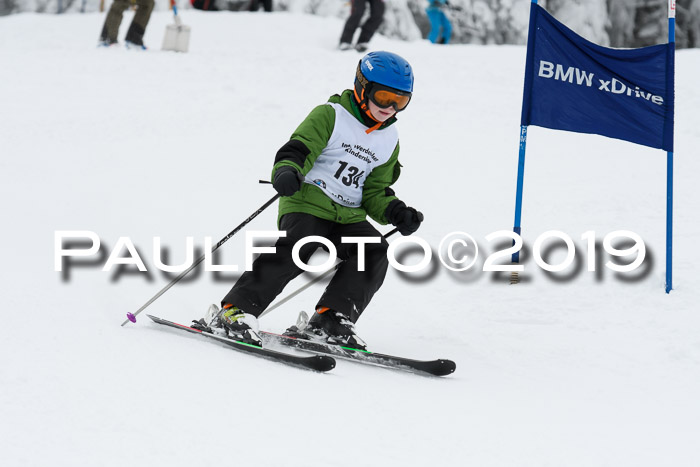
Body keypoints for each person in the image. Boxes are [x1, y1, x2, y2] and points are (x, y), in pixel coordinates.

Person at [211, 51, 423, 350]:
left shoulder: (389, 140)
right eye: (384, 96)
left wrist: (395, 211)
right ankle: (235, 310)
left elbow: (375, 190)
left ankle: (330, 319)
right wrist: (286, 170)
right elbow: (299, 148)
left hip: (348, 214)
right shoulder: (331, 115)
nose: (389, 107)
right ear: (362, 87)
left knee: (374, 250)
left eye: (400, 101)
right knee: (301, 243)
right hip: (308, 201)